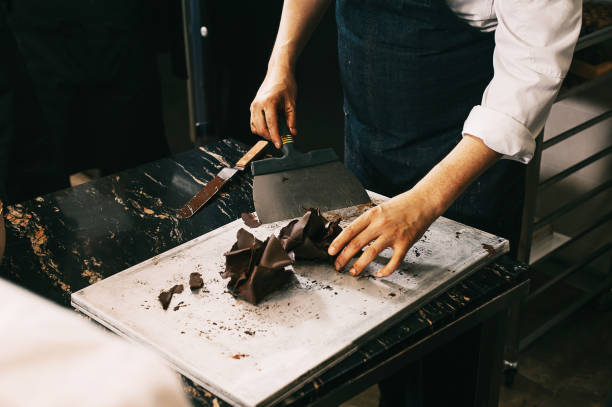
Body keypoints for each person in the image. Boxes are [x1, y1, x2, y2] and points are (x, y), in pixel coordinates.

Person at [250, 0, 581, 405]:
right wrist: (279, 61)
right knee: (387, 341)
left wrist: (425, 199)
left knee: (448, 366)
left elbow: (533, 68)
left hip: (463, 161)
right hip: (371, 135)